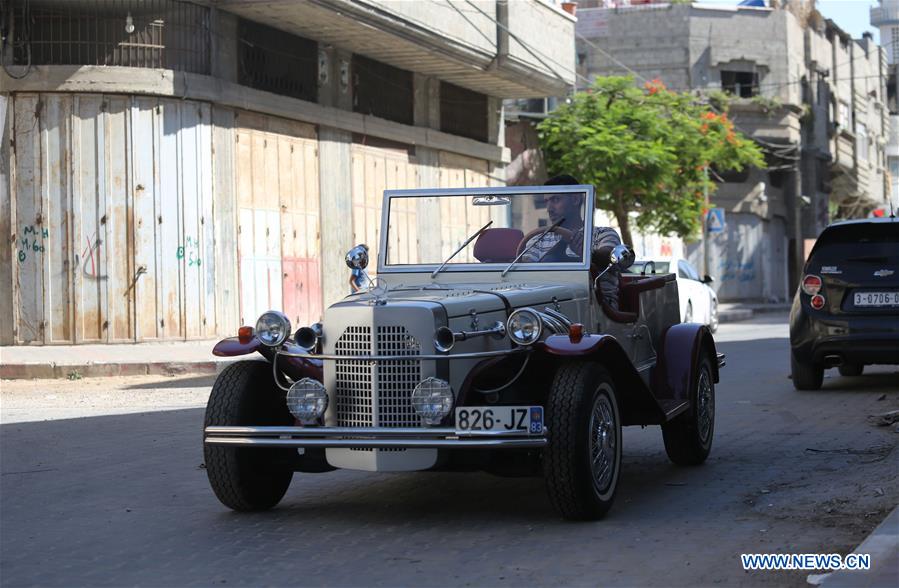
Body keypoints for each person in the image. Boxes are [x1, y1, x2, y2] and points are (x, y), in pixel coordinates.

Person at [522, 175, 622, 310]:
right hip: (542, 306)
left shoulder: (603, 234)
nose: (549, 208)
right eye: (547, 201)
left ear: (575, 199)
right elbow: (527, 274)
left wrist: (586, 254)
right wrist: (563, 242)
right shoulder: (538, 239)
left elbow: (609, 256)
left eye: (555, 200)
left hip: (597, 307)